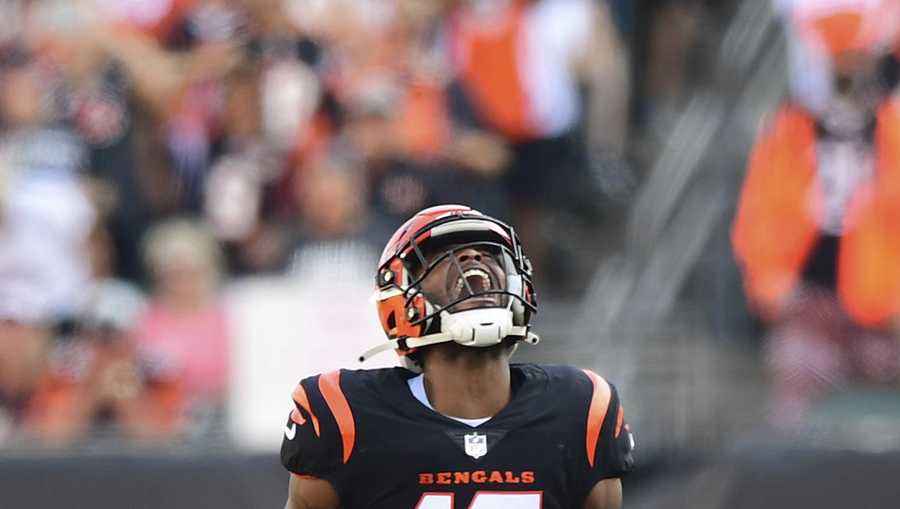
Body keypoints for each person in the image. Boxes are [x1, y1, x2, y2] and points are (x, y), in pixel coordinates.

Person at [280, 205, 634, 509]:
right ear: (399, 302)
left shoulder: (580, 409)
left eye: (490, 253)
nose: (473, 258)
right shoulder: (343, 416)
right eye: (440, 255)